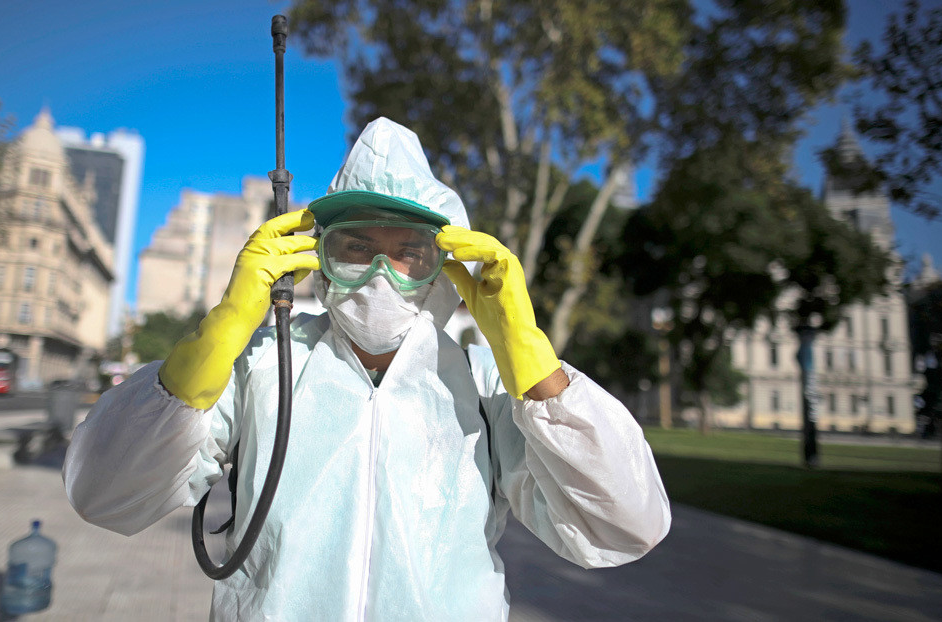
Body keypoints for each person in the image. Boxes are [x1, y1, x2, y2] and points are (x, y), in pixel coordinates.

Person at [64, 118, 670, 620]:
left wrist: (534, 365)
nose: (382, 272)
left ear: (447, 265)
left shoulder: (489, 386)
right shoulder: (261, 368)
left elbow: (623, 526)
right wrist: (217, 337)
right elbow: (105, 493)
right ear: (319, 261)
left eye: (410, 251)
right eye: (355, 248)